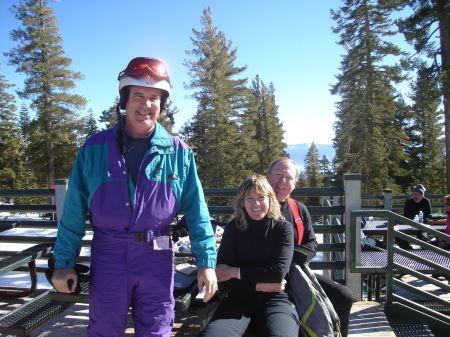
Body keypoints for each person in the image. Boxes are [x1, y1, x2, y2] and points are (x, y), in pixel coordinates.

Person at [51, 57, 217, 337]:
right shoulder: (95, 148)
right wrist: (64, 262)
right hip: (109, 252)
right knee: (104, 329)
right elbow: (74, 211)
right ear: (125, 100)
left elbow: (197, 211)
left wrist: (207, 263)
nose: (146, 104)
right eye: (138, 95)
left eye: (154, 97)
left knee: (157, 329)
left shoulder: (179, 153)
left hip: (158, 252)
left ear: (162, 104)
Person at [199, 175, 299, 337]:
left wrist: (235, 272)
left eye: (261, 197)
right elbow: (224, 279)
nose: (256, 203)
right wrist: (261, 286)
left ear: (270, 199)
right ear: (242, 202)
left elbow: (277, 273)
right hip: (237, 300)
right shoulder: (233, 229)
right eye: (249, 198)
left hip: (275, 300)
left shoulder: (283, 228)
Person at [266, 157, 354, 337]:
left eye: (288, 178)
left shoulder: (298, 209)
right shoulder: (256, 206)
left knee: (343, 297)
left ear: (295, 184)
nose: (283, 181)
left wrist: (291, 261)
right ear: (267, 177)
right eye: (278, 175)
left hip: (298, 275)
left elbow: (312, 243)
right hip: (265, 278)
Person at [395, 184, 432, 250]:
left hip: (422, 226)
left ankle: (424, 253)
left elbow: (428, 215)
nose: (416, 196)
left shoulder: (426, 201)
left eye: (418, 194)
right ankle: (408, 250)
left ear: (421, 195)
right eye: (414, 194)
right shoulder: (408, 201)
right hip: (410, 225)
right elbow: (406, 215)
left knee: (424, 241)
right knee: (398, 236)